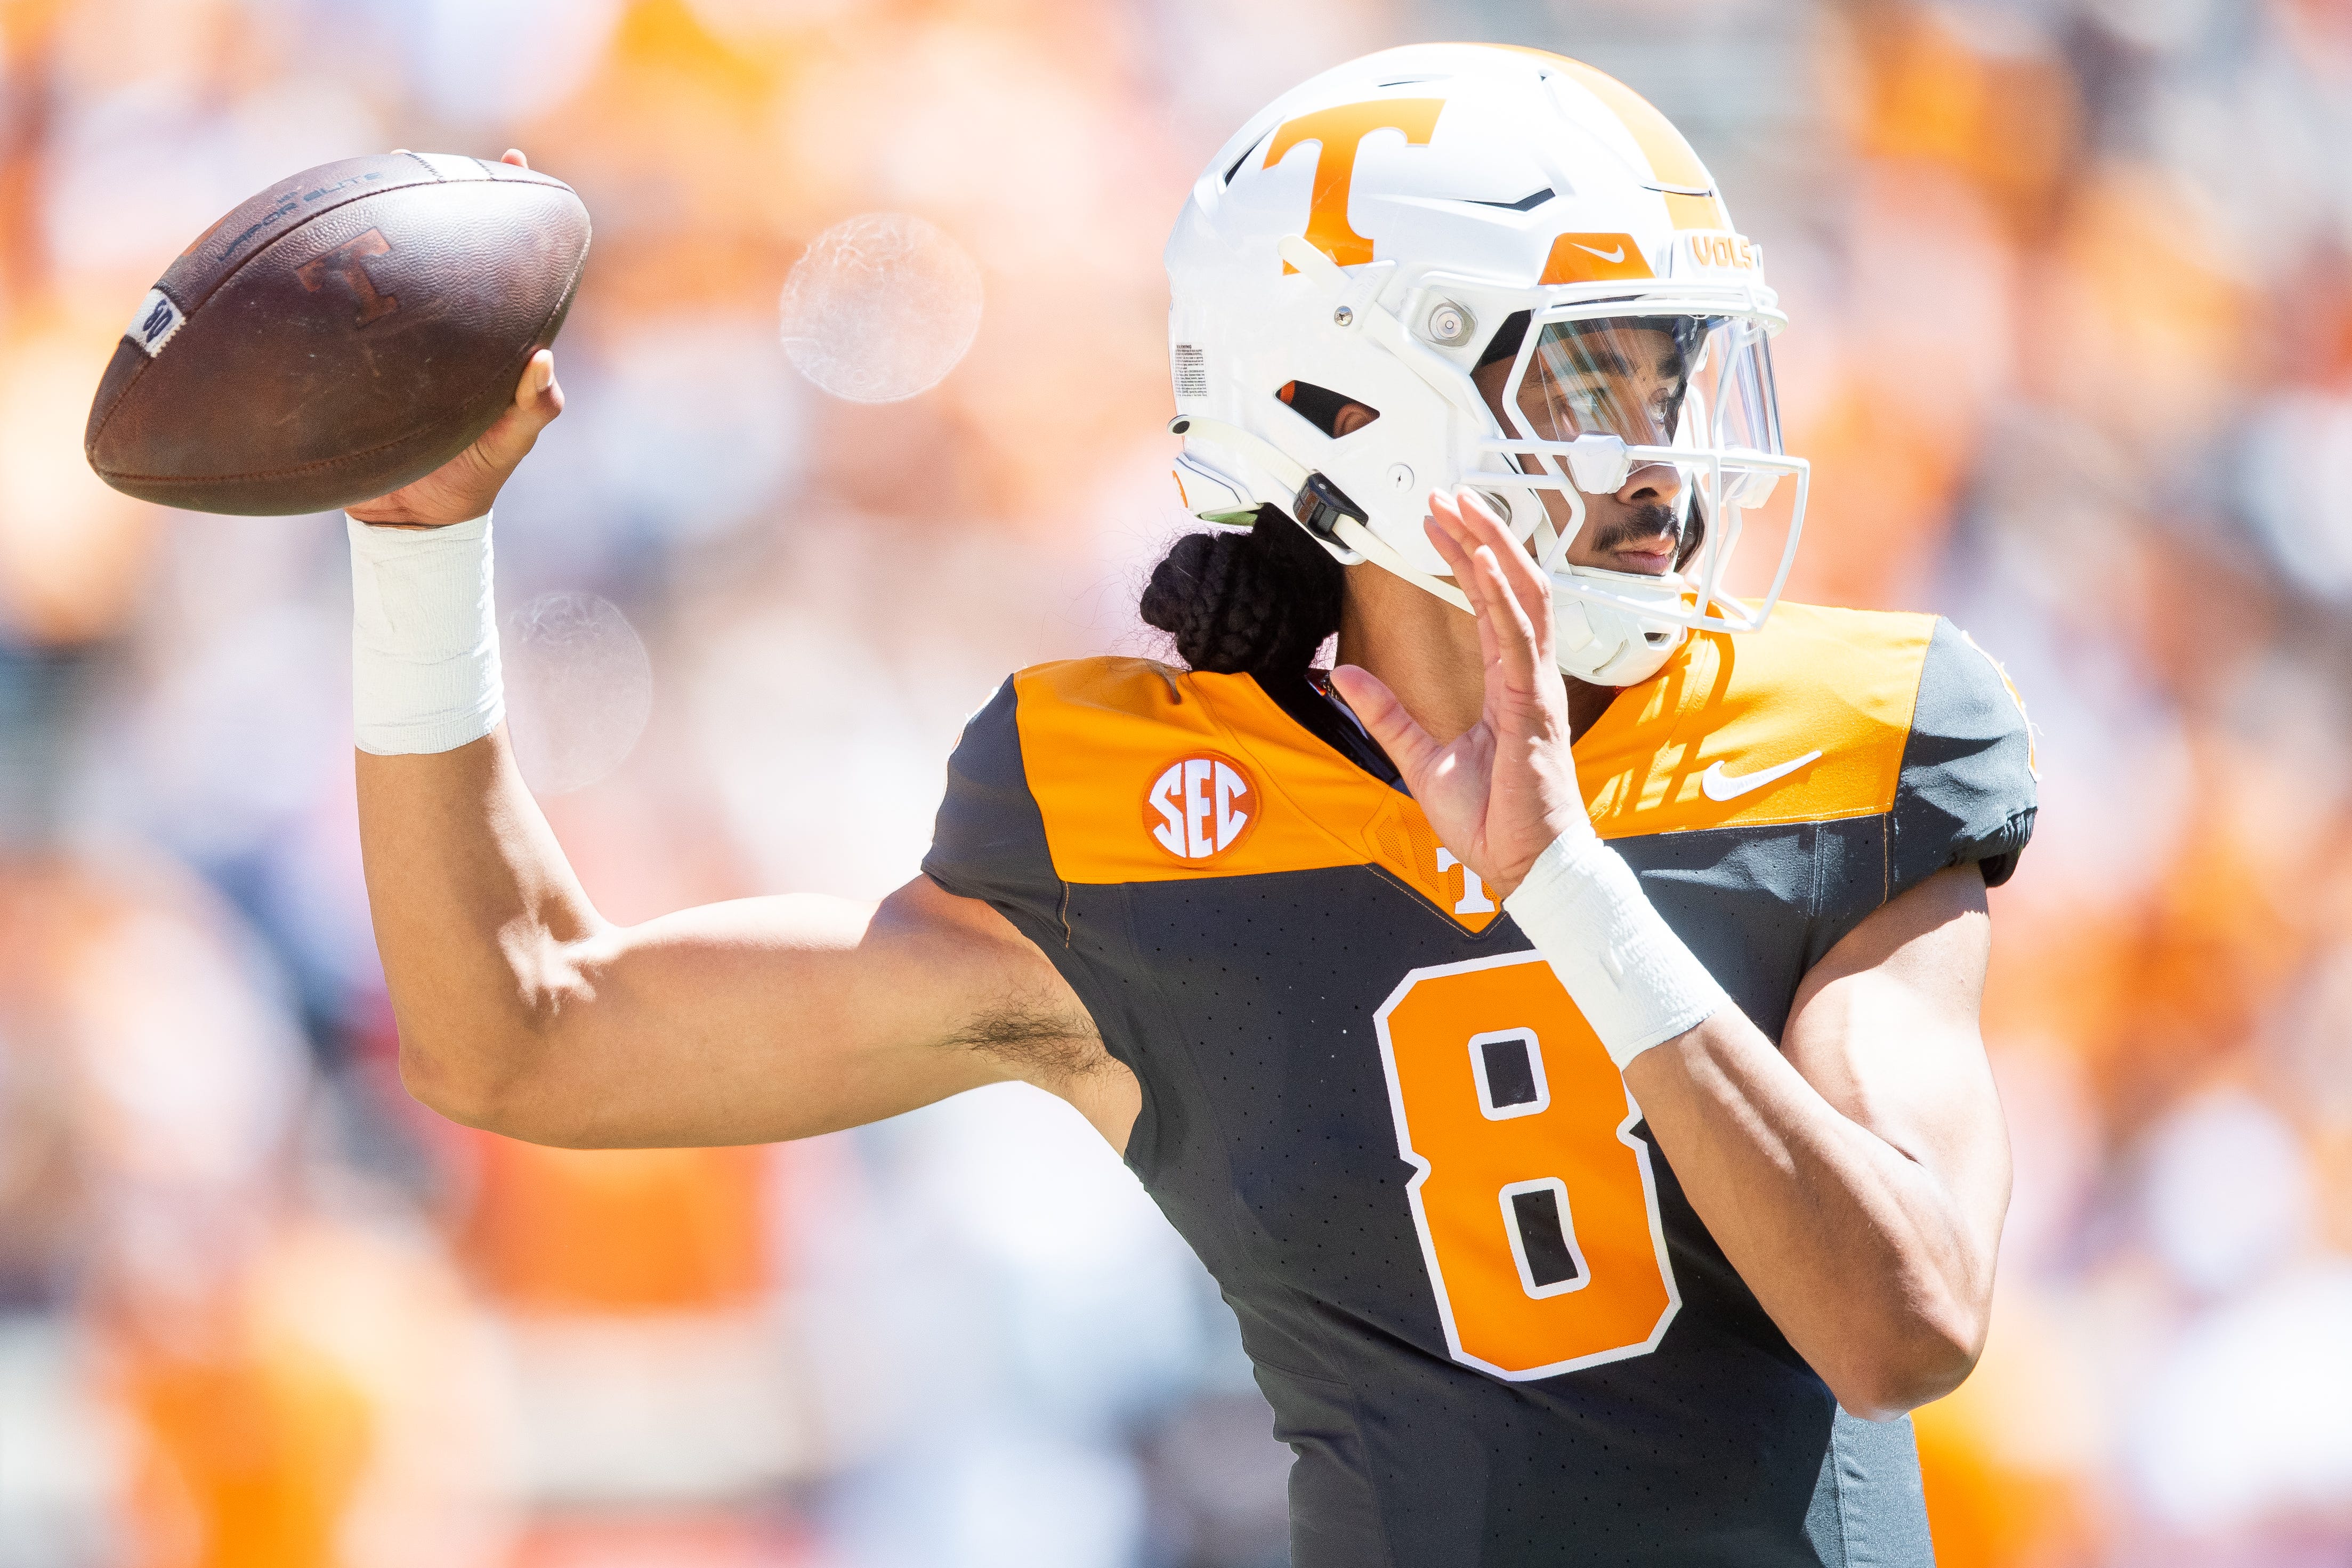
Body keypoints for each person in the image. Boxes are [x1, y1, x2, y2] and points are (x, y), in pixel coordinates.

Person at [345, 44, 2034, 1567]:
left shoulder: (1850, 727)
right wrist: (417, 555)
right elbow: (523, 1034)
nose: (1661, 452)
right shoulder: (1143, 815)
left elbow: (1904, 1323)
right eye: (1592, 382)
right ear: (1350, 403)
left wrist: (1572, 895)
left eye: (1676, 379)